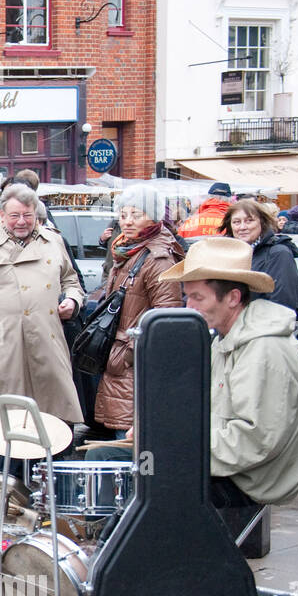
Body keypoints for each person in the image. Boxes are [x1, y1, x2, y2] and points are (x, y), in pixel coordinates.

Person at [160, 236, 298, 508]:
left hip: (250, 480)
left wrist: (175, 446)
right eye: (187, 296)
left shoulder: (264, 349)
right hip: (231, 467)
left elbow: (255, 440)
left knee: (146, 483)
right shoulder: (224, 337)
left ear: (233, 298)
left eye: (197, 297)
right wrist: (161, 431)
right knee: (131, 468)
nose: (189, 307)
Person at [0, 183, 84, 460]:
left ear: (36, 214)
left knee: (54, 413)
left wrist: (72, 300)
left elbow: (71, 280)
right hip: (3, 343)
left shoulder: (53, 240)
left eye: (28, 214)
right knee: (4, 416)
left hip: (48, 341)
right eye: (15, 215)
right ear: (1, 215)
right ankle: (8, 487)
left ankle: (52, 483)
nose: (22, 221)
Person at [91, 185, 185, 438]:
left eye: (136, 214)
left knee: (132, 443)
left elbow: (167, 319)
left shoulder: (156, 258)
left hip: (136, 364)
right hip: (122, 360)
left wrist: (128, 354)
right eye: (124, 215)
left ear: (153, 217)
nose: (128, 221)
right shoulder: (127, 250)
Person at [221, 199, 298, 315]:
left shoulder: (279, 253)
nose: (242, 227)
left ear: (262, 223)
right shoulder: (227, 254)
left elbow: (281, 304)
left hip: (261, 329)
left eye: (249, 221)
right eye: (237, 222)